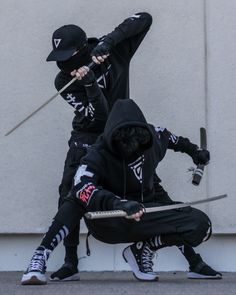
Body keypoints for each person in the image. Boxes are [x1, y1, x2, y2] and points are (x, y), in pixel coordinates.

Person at [21, 99, 221, 285]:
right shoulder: (97, 153)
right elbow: (82, 186)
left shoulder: (155, 136)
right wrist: (118, 203)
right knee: (74, 197)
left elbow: (175, 140)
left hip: (146, 214)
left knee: (200, 224)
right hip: (109, 221)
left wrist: (195, 152)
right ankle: (39, 258)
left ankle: (145, 250)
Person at [45, 12, 153, 281]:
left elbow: (144, 18)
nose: (63, 64)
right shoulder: (64, 81)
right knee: (69, 191)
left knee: (150, 186)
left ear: (83, 49)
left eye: (68, 56)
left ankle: (192, 257)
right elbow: (98, 117)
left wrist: (108, 42)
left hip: (119, 134)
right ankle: (70, 261)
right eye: (59, 58)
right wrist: (89, 84)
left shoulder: (113, 53)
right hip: (87, 136)